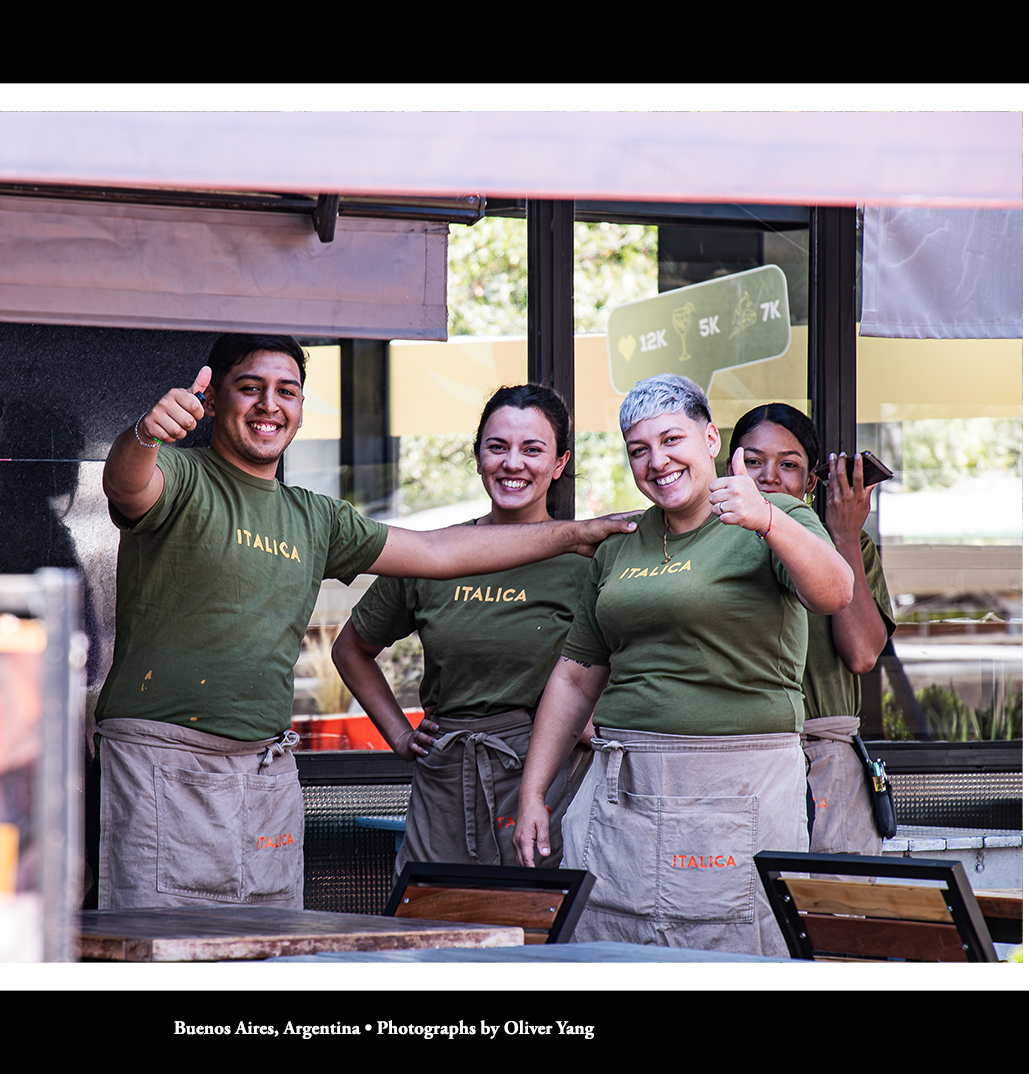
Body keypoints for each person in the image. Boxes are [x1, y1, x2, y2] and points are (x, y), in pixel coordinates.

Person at [95, 333, 635, 910]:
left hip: (269, 770)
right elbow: (126, 484)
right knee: (161, 941)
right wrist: (145, 435)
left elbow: (437, 552)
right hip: (165, 760)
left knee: (270, 942)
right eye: (250, 388)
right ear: (214, 397)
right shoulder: (179, 475)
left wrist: (577, 534)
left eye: (287, 391)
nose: (269, 405)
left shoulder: (315, 516)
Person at [512, 373, 853, 957]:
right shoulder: (620, 542)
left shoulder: (773, 512)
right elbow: (575, 675)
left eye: (673, 440)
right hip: (623, 784)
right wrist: (532, 792)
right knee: (614, 950)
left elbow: (836, 592)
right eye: (638, 450)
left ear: (711, 440)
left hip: (737, 785)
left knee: (733, 954)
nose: (658, 461)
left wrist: (768, 521)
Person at [331, 385, 596, 873]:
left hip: (544, 777)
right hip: (445, 774)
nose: (512, 463)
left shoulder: (585, 562)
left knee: (535, 916)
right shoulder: (435, 555)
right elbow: (351, 650)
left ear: (559, 463)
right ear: (477, 458)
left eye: (532, 449)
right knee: (433, 911)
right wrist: (399, 734)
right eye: (497, 446)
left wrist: (590, 721)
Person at [729, 403, 895, 857]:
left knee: (830, 896)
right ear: (730, 467)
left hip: (826, 760)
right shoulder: (708, 544)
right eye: (753, 461)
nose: (768, 476)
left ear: (810, 482)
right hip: (737, 756)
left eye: (788, 465)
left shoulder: (846, 544)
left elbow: (862, 654)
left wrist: (844, 538)